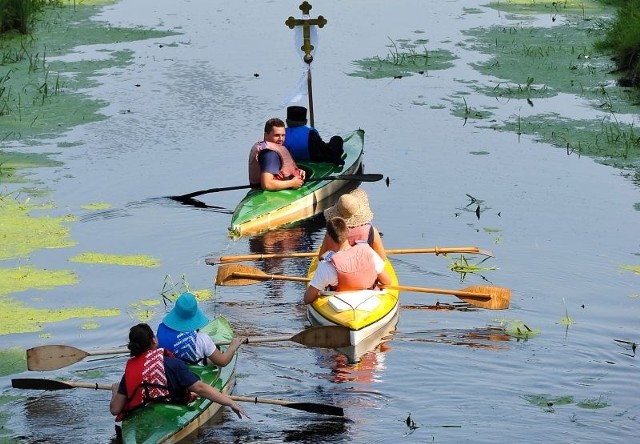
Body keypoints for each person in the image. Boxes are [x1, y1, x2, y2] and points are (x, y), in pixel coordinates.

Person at [109, 323, 248, 421]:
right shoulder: (173, 364)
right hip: (174, 411)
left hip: (143, 411)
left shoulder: (130, 371)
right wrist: (230, 402)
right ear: (154, 340)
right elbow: (200, 388)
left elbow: (115, 409)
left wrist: (115, 390)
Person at [304, 217, 392, 305]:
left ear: (329, 237)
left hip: (339, 305)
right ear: (347, 232)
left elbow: (308, 299)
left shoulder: (327, 265)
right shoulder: (368, 251)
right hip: (369, 301)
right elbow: (387, 281)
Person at [156, 292, 244, 367]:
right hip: (190, 369)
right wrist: (233, 346)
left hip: (169, 365)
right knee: (214, 356)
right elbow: (223, 362)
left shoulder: (160, 330)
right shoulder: (202, 339)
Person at [318, 188, 387, 261]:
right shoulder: (372, 231)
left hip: (339, 268)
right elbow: (382, 259)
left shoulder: (332, 232)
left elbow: (321, 257)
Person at [248, 117, 306, 191]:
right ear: (266, 135)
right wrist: (293, 183)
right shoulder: (270, 154)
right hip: (269, 195)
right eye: (277, 135)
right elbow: (267, 184)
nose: (281, 139)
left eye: (283, 135)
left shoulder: (273, 149)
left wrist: (296, 172)